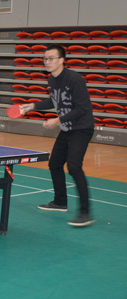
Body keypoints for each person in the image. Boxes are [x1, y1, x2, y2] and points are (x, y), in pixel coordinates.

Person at [20, 44, 95, 227]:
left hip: (81, 128)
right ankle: (60, 202)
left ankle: (85, 213)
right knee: (54, 164)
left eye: (51, 58)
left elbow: (82, 109)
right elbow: (54, 101)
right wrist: (32, 106)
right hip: (67, 128)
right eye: (45, 59)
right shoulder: (52, 80)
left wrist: (57, 120)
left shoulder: (75, 79)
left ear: (62, 60)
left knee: (74, 166)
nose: (47, 62)